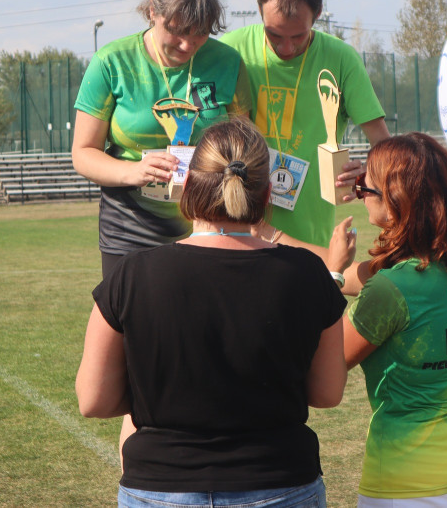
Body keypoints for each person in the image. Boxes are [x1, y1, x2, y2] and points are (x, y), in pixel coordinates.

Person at [76, 118, 348, 508]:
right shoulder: (308, 273)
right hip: (281, 483)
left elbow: (94, 400)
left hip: (159, 486)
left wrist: (156, 394)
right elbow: (327, 392)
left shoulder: (133, 274)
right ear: (268, 193)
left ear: (187, 185)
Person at [327, 133, 447, 507]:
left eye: (366, 187)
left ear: (394, 204)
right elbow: (366, 276)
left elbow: (323, 368)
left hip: (414, 484)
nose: (360, 193)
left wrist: (330, 275)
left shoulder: (390, 290)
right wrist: (272, 238)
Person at [73, 0, 251, 278]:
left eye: (200, 34)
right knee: (130, 324)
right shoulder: (111, 62)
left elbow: (244, 147)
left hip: (209, 223)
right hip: (130, 224)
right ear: (153, 11)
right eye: (177, 30)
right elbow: (83, 153)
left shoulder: (228, 63)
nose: (187, 44)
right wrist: (134, 171)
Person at [221, 0, 390, 249]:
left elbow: (384, 144)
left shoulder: (340, 59)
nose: (286, 48)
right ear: (259, 12)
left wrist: (364, 176)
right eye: (274, 35)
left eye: (298, 36)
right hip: (235, 231)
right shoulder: (228, 51)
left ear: (319, 13)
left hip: (309, 239)